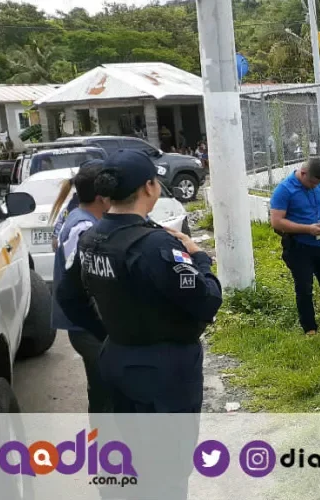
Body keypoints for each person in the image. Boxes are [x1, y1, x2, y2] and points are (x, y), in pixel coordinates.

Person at [56, 150, 222, 499]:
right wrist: (200, 258)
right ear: (149, 187)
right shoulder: (154, 245)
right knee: (169, 470)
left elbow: (68, 297)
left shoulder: (92, 236)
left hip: (118, 358)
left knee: (132, 458)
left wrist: (111, 334)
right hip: (164, 371)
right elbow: (207, 300)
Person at [50, 160, 113, 418]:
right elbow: (85, 282)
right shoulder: (83, 227)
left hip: (85, 324)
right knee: (105, 392)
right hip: (86, 325)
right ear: (102, 198)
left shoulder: (78, 216)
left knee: (102, 389)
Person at [269, 158, 320, 336]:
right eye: (312, 182)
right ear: (303, 173)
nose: (314, 186)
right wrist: (308, 229)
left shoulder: (319, 186)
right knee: (304, 289)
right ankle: (310, 329)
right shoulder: (284, 190)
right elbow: (276, 222)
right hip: (299, 247)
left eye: (318, 183)